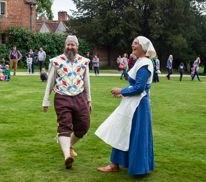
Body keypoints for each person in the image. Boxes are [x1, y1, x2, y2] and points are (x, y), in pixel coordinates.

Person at [95, 36, 156, 175]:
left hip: (139, 106)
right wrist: (123, 93)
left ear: (143, 47)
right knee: (122, 130)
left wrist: (121, 90)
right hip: (133, 103)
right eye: (132, 42)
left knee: (133, 133)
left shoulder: (145, 63)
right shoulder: (141, 61)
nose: (132, 45)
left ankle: (136, 167)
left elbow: (140, 88)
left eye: (136, 43)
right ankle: (115, 164)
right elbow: (135, 85)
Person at [42, 35, 92, 169]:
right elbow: (50, 82)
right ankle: (67, 157)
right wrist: (46, 100)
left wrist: (89, 100)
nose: (70, 47)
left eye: (72, 45)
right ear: (65, 46)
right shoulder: (56, 61)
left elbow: (86, 82)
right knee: (64, 125)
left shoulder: (84, 61)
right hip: (62, 97)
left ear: (77, 46)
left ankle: (69, 146)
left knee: (84, 126)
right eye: (68, 45)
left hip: (80, 97)